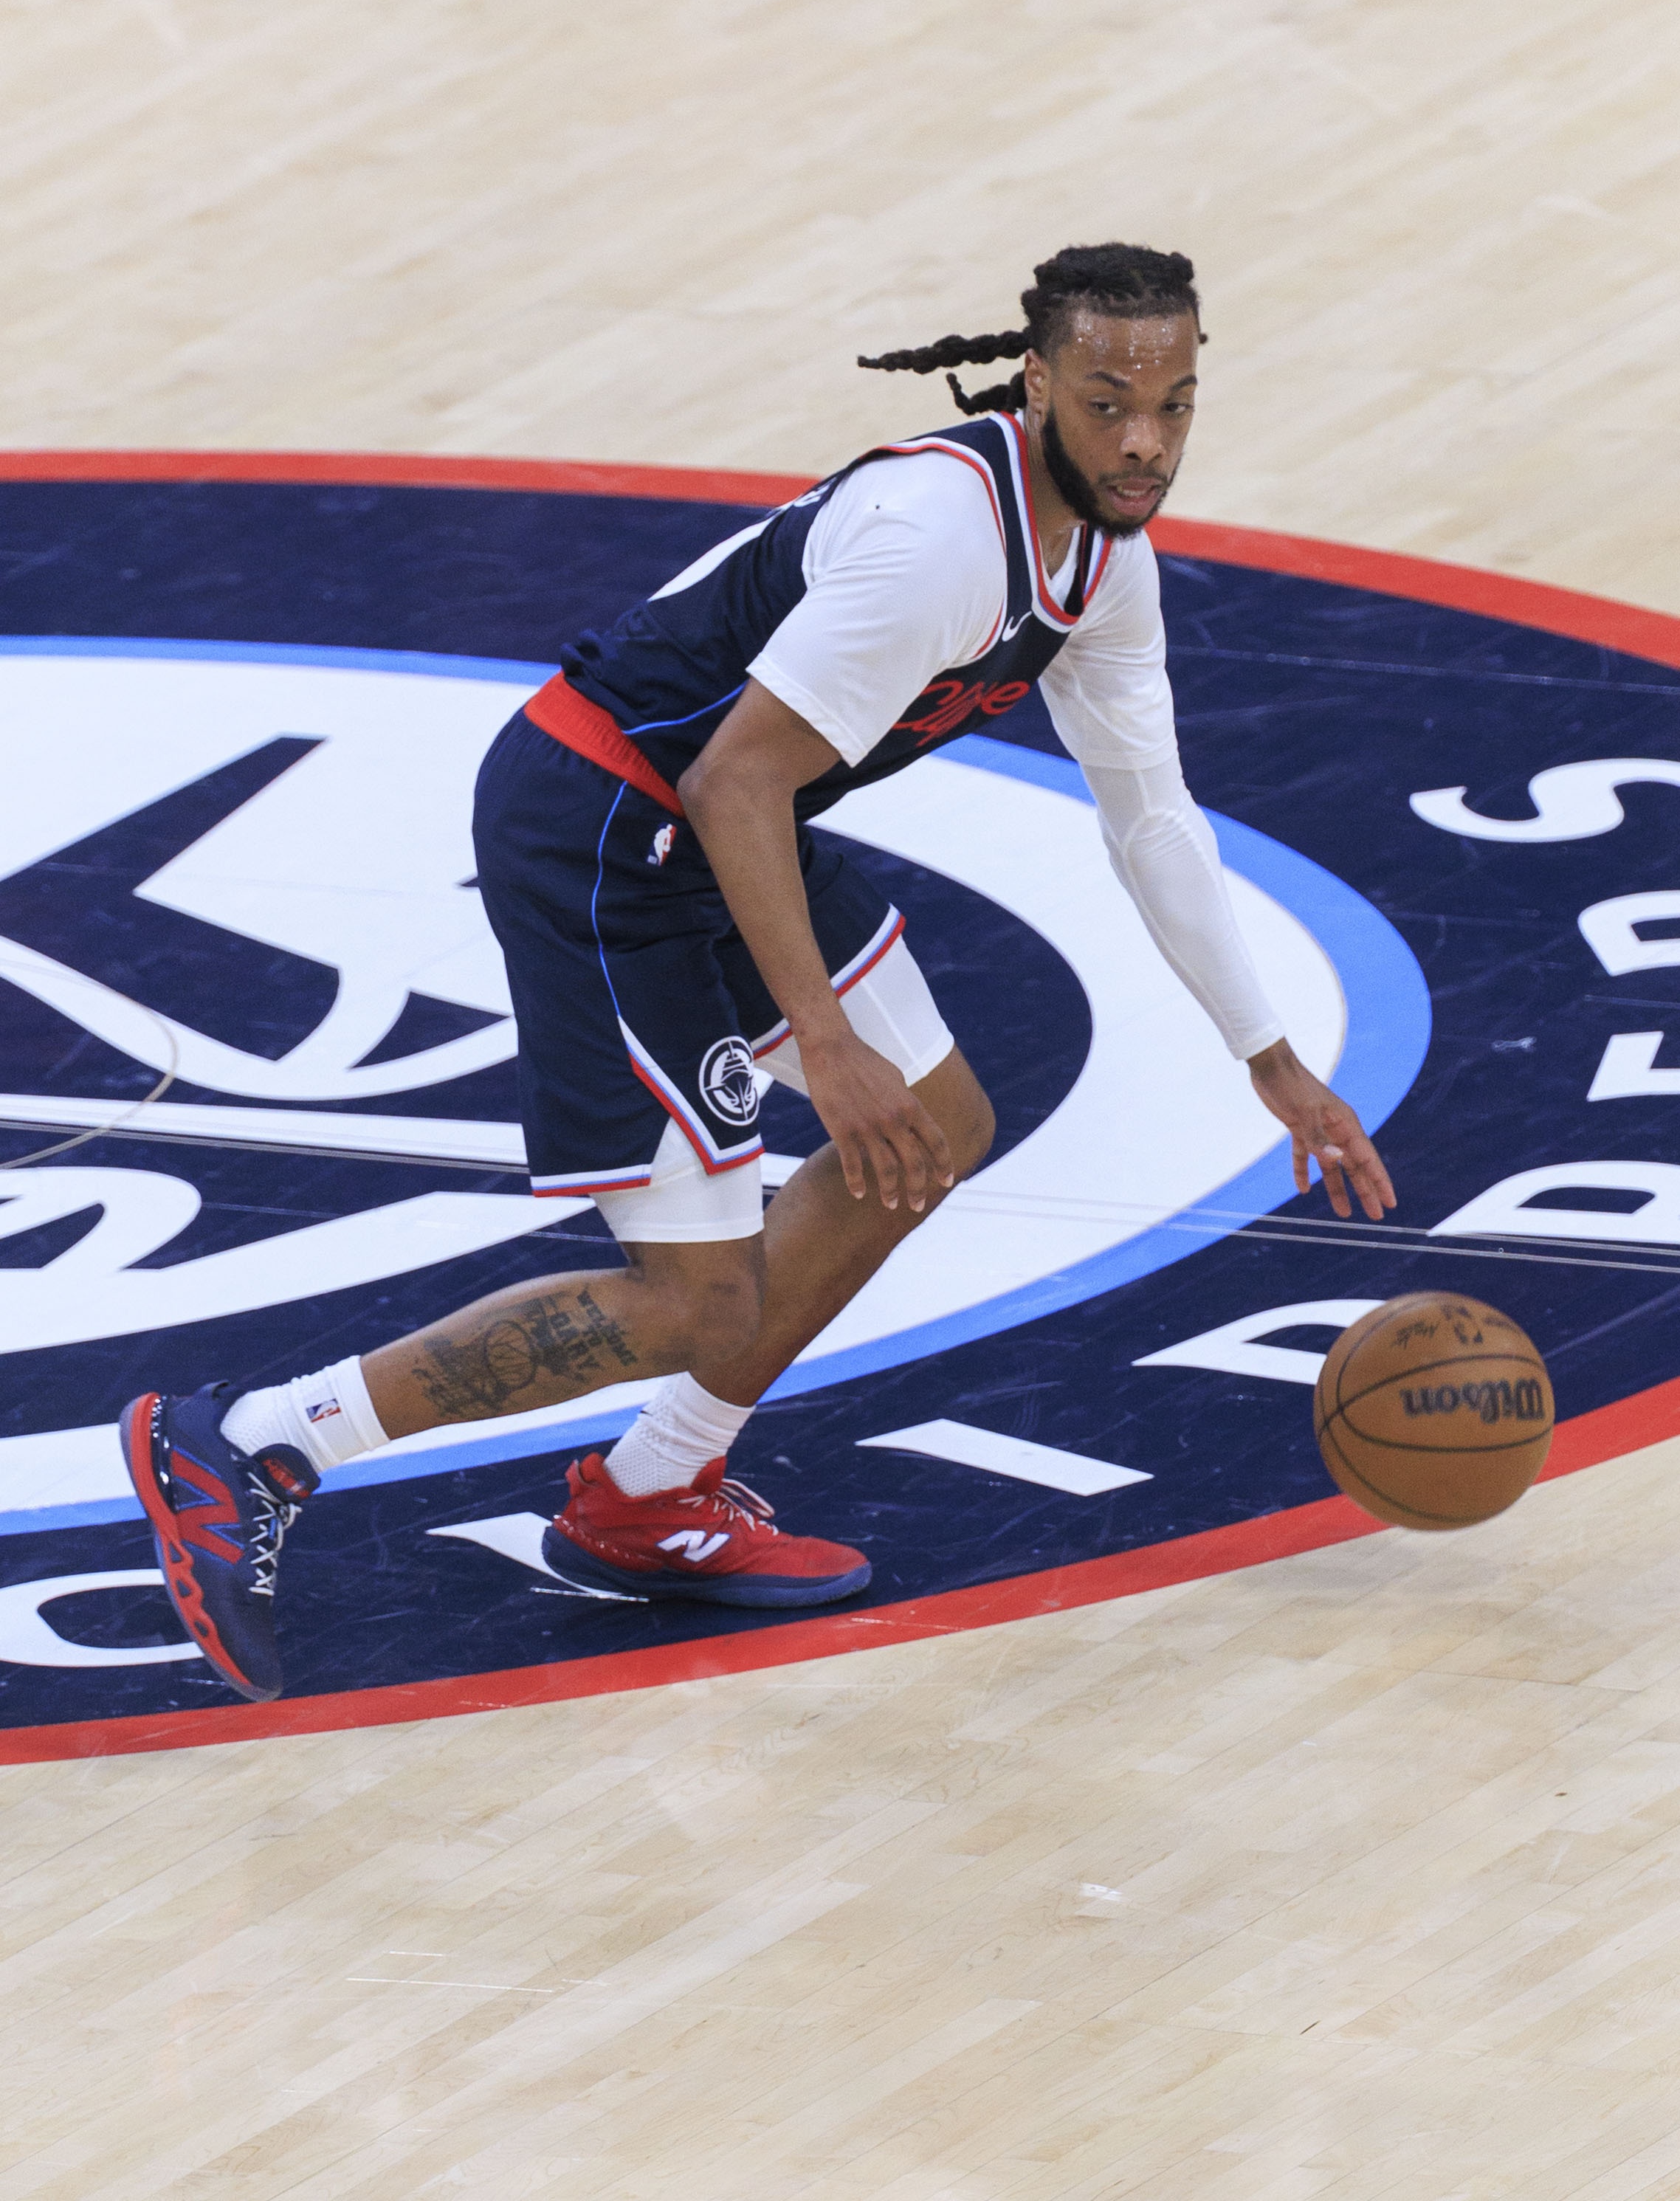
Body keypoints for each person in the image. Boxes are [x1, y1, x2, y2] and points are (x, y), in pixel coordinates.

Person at [122, 242, 1396, 1703]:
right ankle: (255, 1441)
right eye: (1110, 403)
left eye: (1173, 406)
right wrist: (824, 1042)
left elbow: (1152, 817)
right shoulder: (941, 537)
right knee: (700, 1300)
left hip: (725, 825)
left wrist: (1268, 1056)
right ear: (1037, 385)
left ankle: (650, 1493)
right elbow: (732, 778)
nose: (1145, 442)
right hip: (605, 827)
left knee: (935, 1130)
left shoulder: (1103, 563)